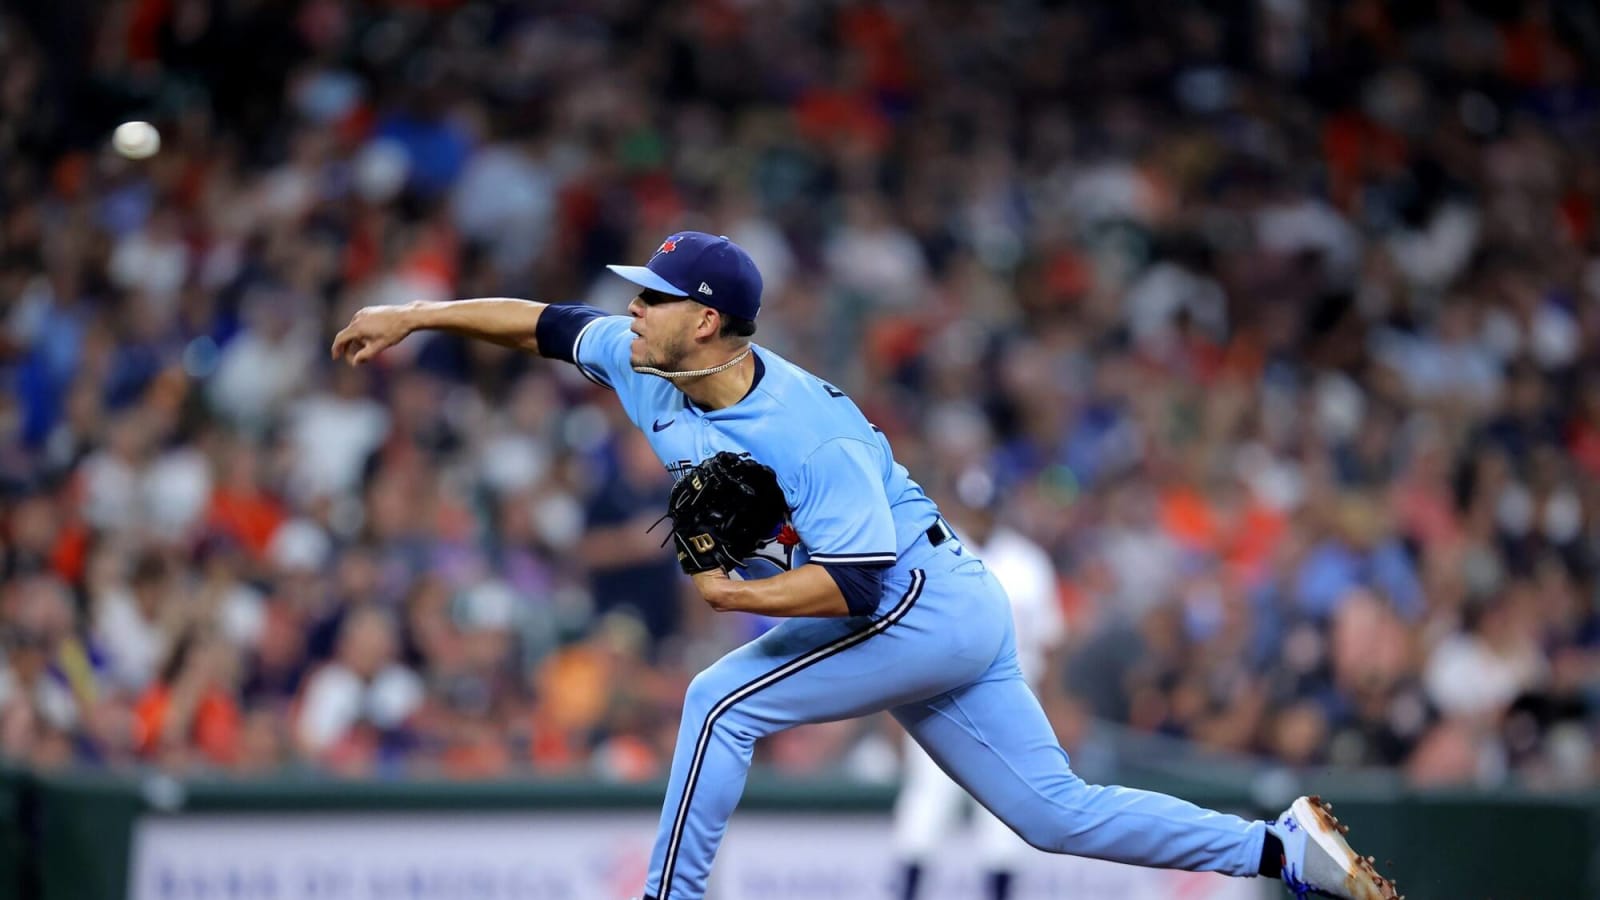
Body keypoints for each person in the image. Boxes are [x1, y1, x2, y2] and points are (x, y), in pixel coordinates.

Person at [332, 231, 1400, 900]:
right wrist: (417, 316)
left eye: (654, 297)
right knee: (1054, 814)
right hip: (940, 605)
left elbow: (856, 586)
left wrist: (730, 594)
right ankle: (1276, 853)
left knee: (717, 702)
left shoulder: (805, 427)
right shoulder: (641, 356)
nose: (633, 309)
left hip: (916, 603)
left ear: (707, 320)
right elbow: (542, 326)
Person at [891, 467, 1065, 900]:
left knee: (1007, 818)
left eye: (987, 507)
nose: (981, 516)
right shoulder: (933, 553)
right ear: (962, 509)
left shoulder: (1028, 562)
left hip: (1014, 700)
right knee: (924, 812)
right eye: (974, 507)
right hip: (940, 699)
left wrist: (1056, 710)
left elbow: (1050, 640)